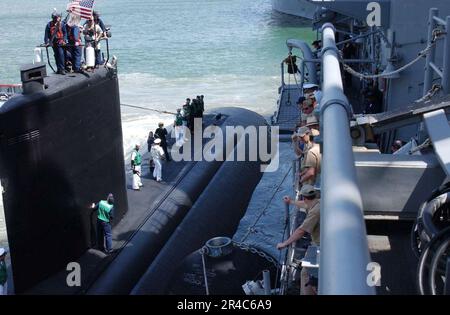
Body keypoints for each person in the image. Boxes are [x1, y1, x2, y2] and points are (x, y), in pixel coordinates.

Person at [277, 185, 320, 295]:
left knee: (306, 273)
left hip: (321, 245)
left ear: (304, 197)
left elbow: (301, 231)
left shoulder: (315, 212)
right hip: (324, 241)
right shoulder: (318, 202)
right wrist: (291, 201)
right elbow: (305, 204)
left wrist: (285, 243)